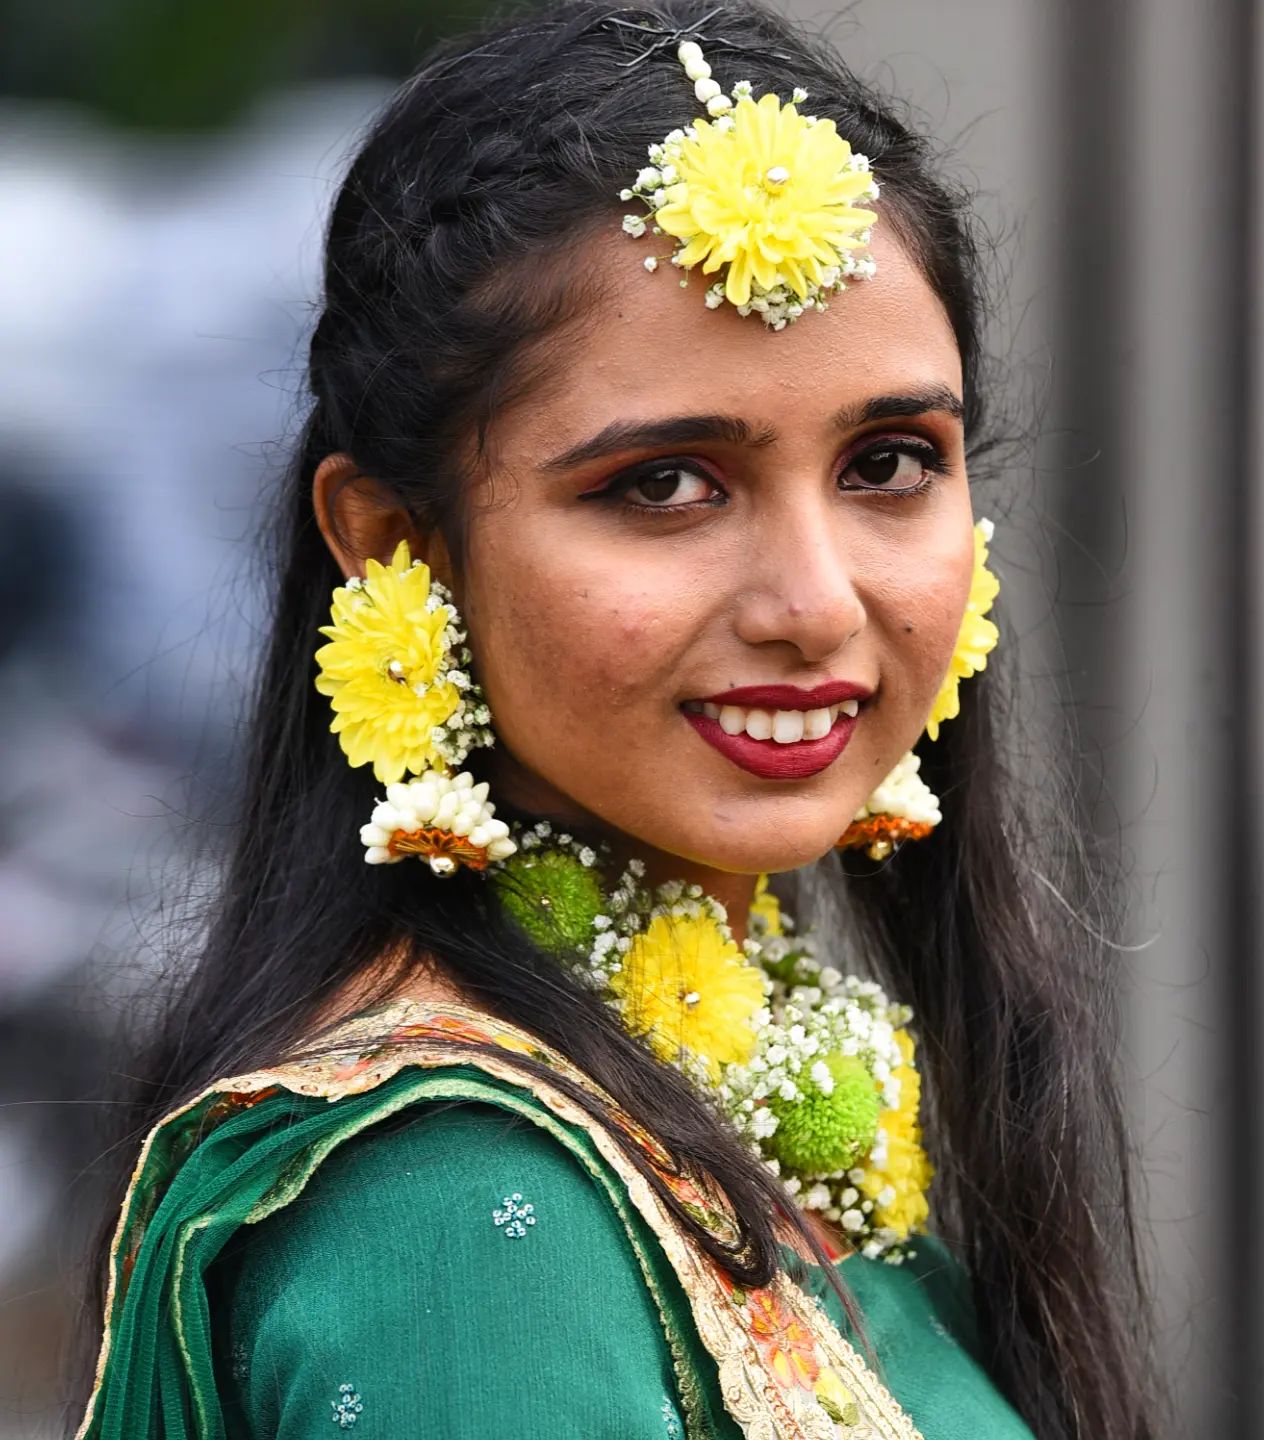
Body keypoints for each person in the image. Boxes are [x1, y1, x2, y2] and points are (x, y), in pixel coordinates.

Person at [71, 2, 1157, 1436]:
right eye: (665, 484)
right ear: (399, 541)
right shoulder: (462, 1201)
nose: (816, 602)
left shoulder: (735, 1104)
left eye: (890, 462)